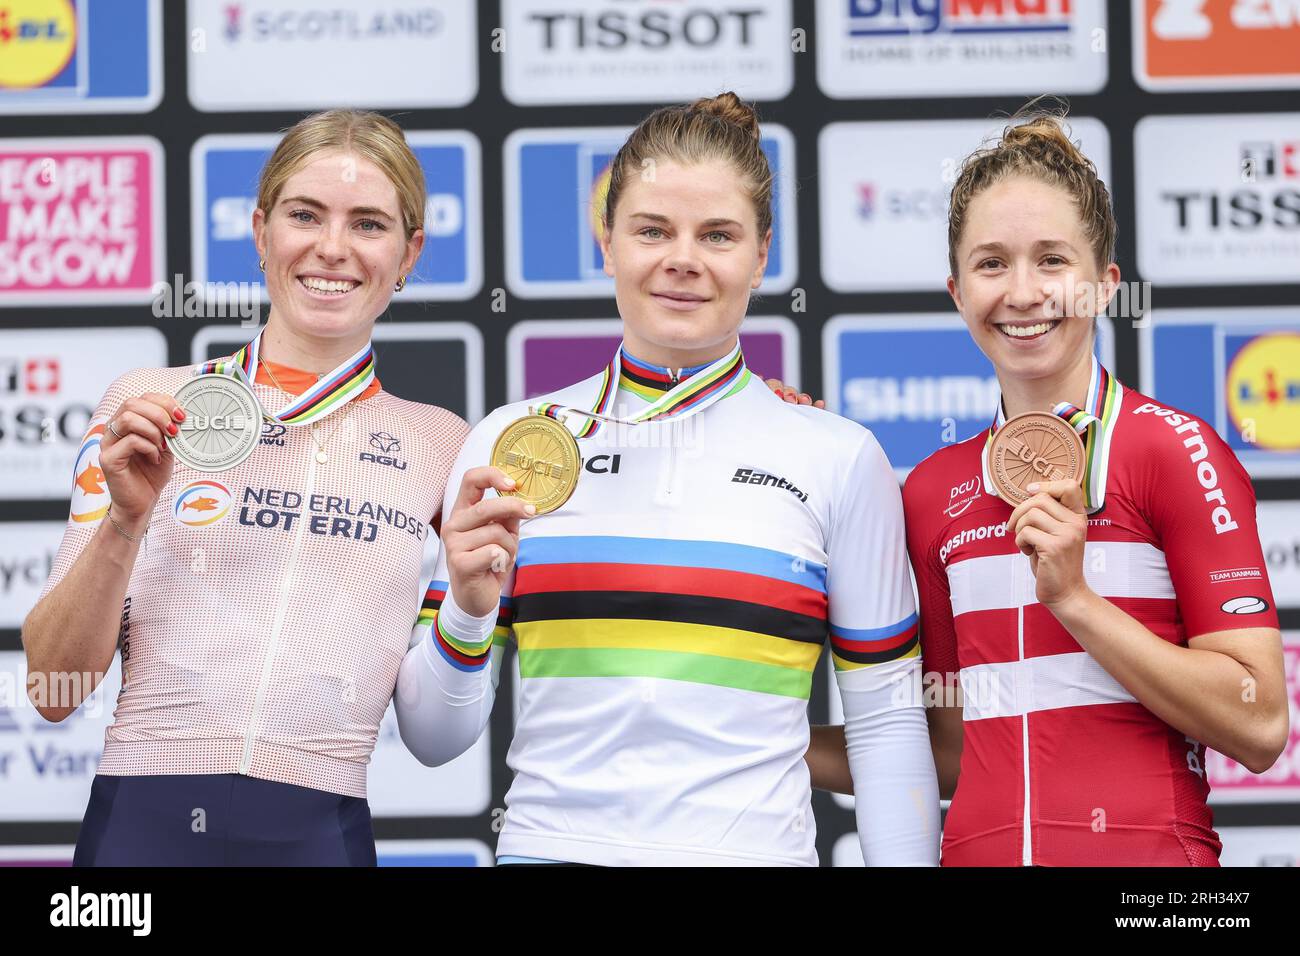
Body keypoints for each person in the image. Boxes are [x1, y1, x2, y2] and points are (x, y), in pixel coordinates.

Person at [395, 92, 940, 866]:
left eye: (717, 234)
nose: (682, 258)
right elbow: (430, 740)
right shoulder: (510, 444)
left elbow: (886, 728)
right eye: (652, 230)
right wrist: (470, 612)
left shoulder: (838, 457)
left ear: (761, 253)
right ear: (608, 242)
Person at [778, 109, 1288, 866]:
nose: (1023, 292)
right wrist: (761, 735)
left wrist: (1076, 602)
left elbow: (1260, 724)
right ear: (957, 291)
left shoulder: (1174, 452)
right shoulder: (934, 492)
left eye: (1052, 260)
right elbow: (951, 746)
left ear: (1104, 284)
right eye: (991, 264)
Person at [22, 109, 471, 866]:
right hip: (140, 825)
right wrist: (124, 524)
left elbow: (439, 741)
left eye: (368, 223)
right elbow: (52, 689)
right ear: (261, 232)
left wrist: (473, 606)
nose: (332, 247)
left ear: (408, 253)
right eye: (305, 215)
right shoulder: (152, 404)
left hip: (321, 833)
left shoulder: (441, 445)